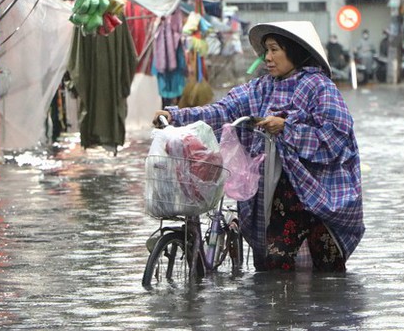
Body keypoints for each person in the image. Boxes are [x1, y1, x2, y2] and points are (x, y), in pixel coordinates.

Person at [153, 21, 364, 272]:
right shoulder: (261, 88)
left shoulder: (320, 87)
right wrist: (176, 116)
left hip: (315, 193)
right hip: (275, 193)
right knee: (273, 265)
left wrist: (288, 128)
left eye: (275, 50)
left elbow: (335, 137)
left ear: (294, 51)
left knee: (328, 271)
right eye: (266, 51)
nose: (268, 57)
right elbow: (223, 110)